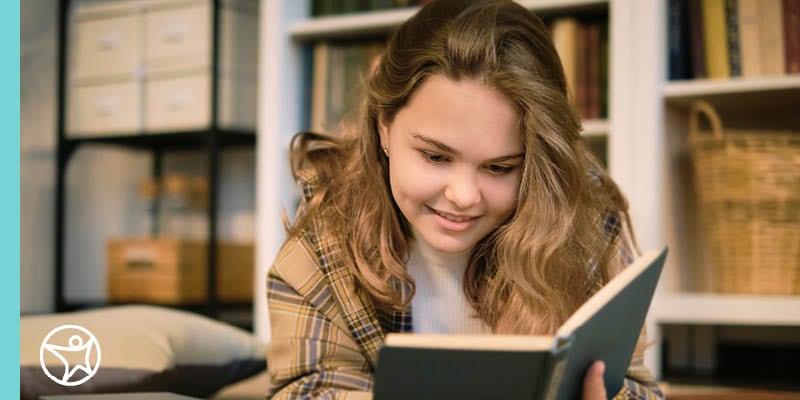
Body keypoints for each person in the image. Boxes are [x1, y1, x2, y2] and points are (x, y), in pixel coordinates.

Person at [265, 0, 664, 399]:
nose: (463, 196)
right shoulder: (326, 231)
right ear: (383, 127)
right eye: (436, 157)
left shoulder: (585, 222)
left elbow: (637, 385)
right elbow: (304, 388)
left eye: (499, 168)